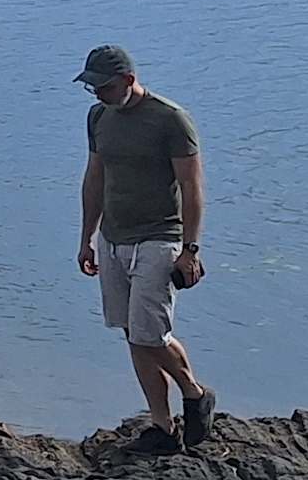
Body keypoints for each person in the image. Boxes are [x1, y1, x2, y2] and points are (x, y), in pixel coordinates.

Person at [73, 44, 217, 450]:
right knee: (130, 332)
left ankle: (195, 393)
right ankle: (161, 425)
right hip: (113, 239)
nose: (97, 94)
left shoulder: (170, 120)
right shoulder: (99, 117)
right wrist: (86, 238)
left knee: (149, 335)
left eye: (102, 86)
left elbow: (192, 188)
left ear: (128, 81)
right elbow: (94, 178)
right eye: (91, 87)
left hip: (160, 238)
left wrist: (191, 249)